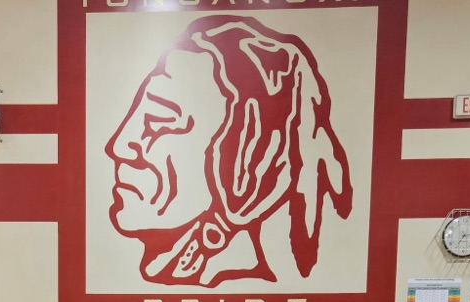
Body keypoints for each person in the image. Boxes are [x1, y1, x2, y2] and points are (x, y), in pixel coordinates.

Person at [106, 14, 352, 286]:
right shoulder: (169, 266)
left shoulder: (251, 281)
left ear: (253, 154)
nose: (118, 147)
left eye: (158, 122)